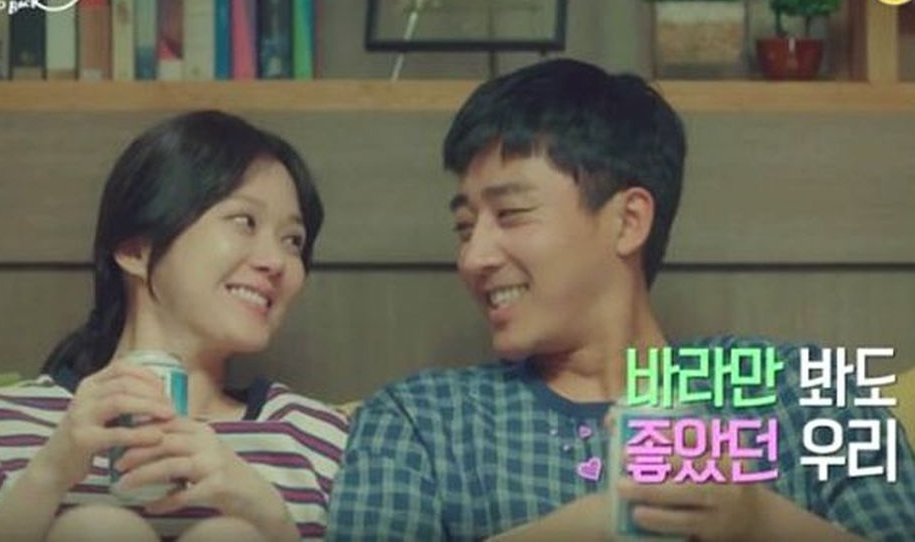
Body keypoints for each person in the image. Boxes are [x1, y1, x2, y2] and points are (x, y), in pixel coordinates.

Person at [326, 59, 915, 540]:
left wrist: (760, 523)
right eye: (464, 227)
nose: (473, 257)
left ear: (628, 221)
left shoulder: (802, 393)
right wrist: (593, 526)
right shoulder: (422, 421)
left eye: (511, 213)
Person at [0, 111, 348, 542]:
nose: (277, 261)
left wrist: (271, 520)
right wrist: (49, 476)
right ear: (137, 249)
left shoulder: (318, 440)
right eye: (245, 221)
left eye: (293, 241)